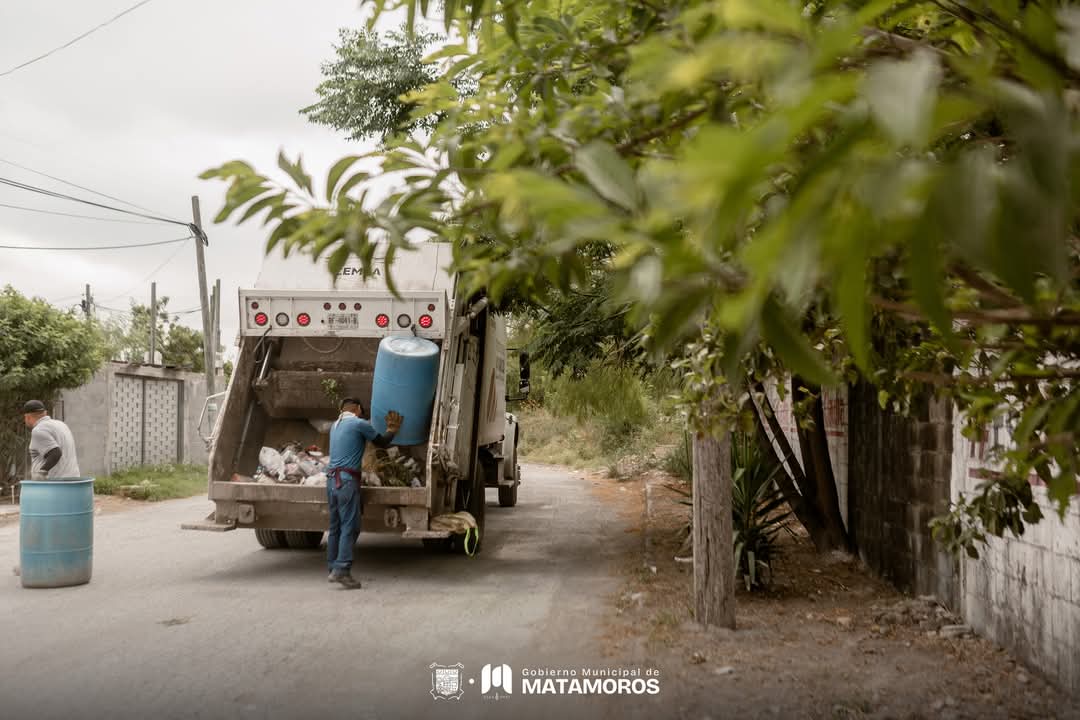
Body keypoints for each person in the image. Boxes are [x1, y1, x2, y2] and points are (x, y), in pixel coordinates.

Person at [325, 398, 403, 589]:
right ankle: (342, 569)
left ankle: (333, 567)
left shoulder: (335, 425)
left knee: (335, 526)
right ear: (358, 409)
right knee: (349, 526)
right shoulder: (359, 424)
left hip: (331, 481)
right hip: (346, 482)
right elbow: (382, 443)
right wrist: (392, 430)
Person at [22, 400, 80, 480]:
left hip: (54, 484)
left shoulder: (38, 430)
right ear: (45, 413)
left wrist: (41, 473)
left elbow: (56, 453)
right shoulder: (62, 425)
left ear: (28, 417)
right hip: (74, 482)